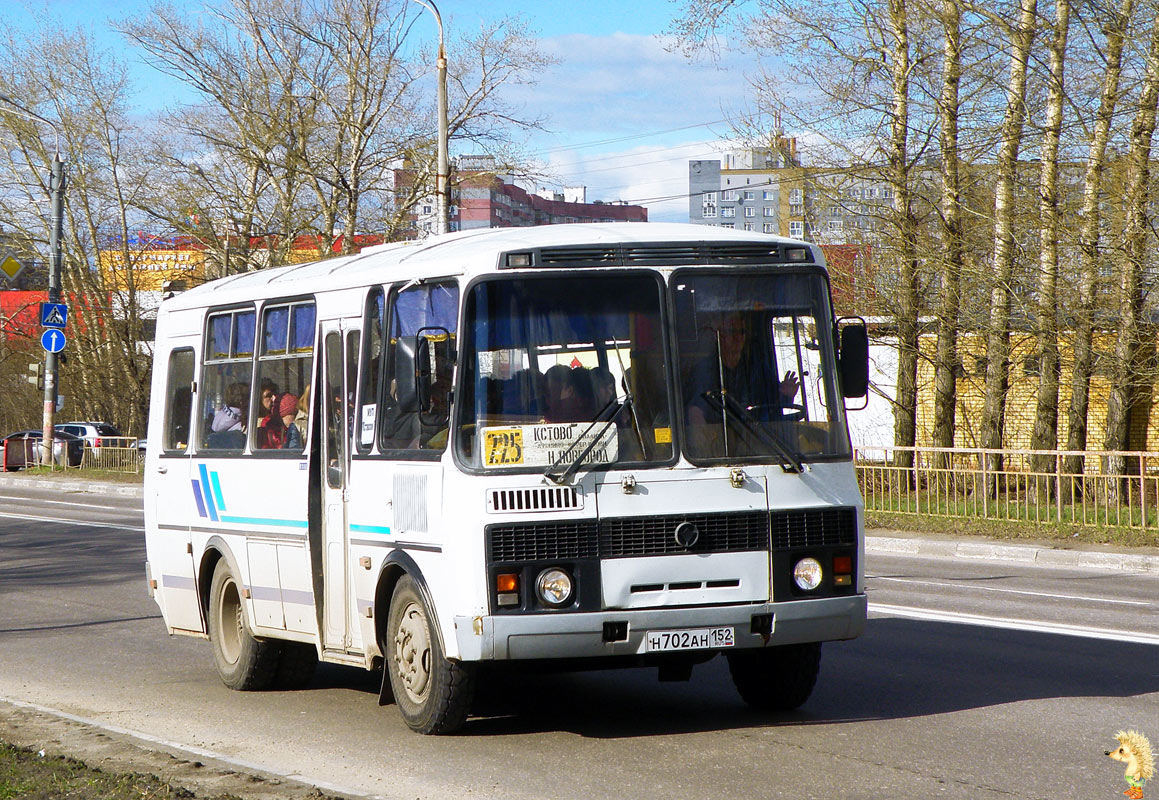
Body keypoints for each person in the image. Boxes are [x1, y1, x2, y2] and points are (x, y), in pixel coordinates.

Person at [686, 313, 799, 430]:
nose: (738, 337)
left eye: (742, 332)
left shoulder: (758, 369)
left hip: (757, 439)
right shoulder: (705, 371)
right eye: (732, 332)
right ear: (719, 336)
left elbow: (773, 408)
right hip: (720, 440)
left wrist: (785, 395)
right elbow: (696, 412)